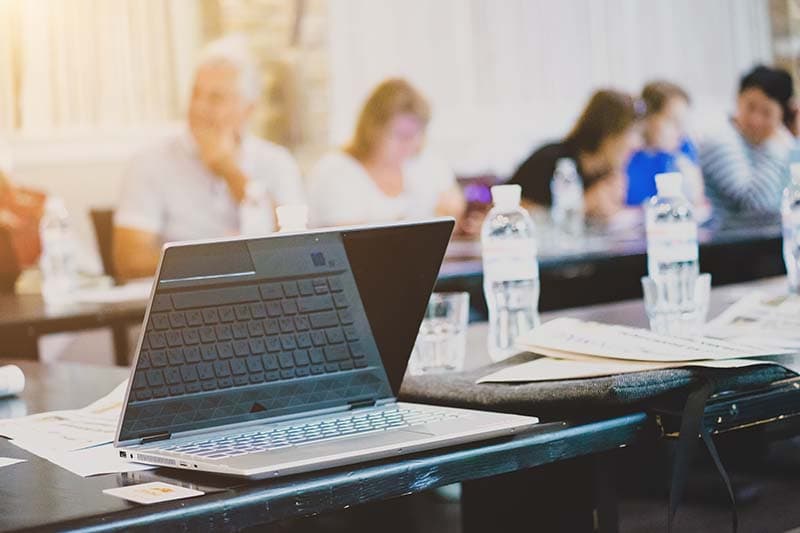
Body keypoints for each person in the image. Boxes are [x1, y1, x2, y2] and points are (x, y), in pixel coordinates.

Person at [113, 35, 304, 281]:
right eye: (196, 94)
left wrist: (229, 170)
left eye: (216, 98)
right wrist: (216, 260)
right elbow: (129, 260)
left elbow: (296, 249)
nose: (199, 108)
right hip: (182, 301)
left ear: (248, 109)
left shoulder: (277, 162)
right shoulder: (148, 163)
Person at [307, 78, 465, 227]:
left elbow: (452, 211)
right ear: (372, 130)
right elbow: (351, 242)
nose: (409, 144)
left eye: (416, 134)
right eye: (400, 135)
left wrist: (453, 211)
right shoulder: (336, 171)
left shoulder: (426, 163)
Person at [508, 89, 643, 221]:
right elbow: (509, 215)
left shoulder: (606, 174)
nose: (637, 144)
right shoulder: (550, 160)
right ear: (608, 133)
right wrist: (583, 205)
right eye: (632, 132)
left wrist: (613, 209)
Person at [699, 65, 797, 222]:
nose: (755, 119)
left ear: (782, 116)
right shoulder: (720, 140)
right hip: (727, 242)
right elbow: (758, 206)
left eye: (767, 113)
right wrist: (775, 147)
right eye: (750, 107)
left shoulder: (767, 143)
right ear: (738, 99)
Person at [626, 81, 706, 208]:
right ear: (647, 117)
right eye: (672, 120)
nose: (681, 130)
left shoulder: (683, 148)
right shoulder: (627, 155)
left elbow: (697, 202)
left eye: (683, 122)